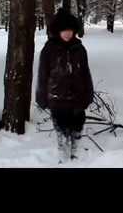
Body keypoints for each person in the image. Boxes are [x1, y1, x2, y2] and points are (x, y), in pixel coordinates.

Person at [36, 9, 94, 161]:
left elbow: (86, 72)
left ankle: (76, 150)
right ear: (58, 31)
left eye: (70, 30)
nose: (67, 34)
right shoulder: (49, 49)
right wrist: (41, 95)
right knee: (61, 127)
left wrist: (89, 92)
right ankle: (63, 152)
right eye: (64, 30)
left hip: (78, 96)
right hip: (57, 97)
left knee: (77, 125)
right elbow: (43, 74)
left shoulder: (80, 49)